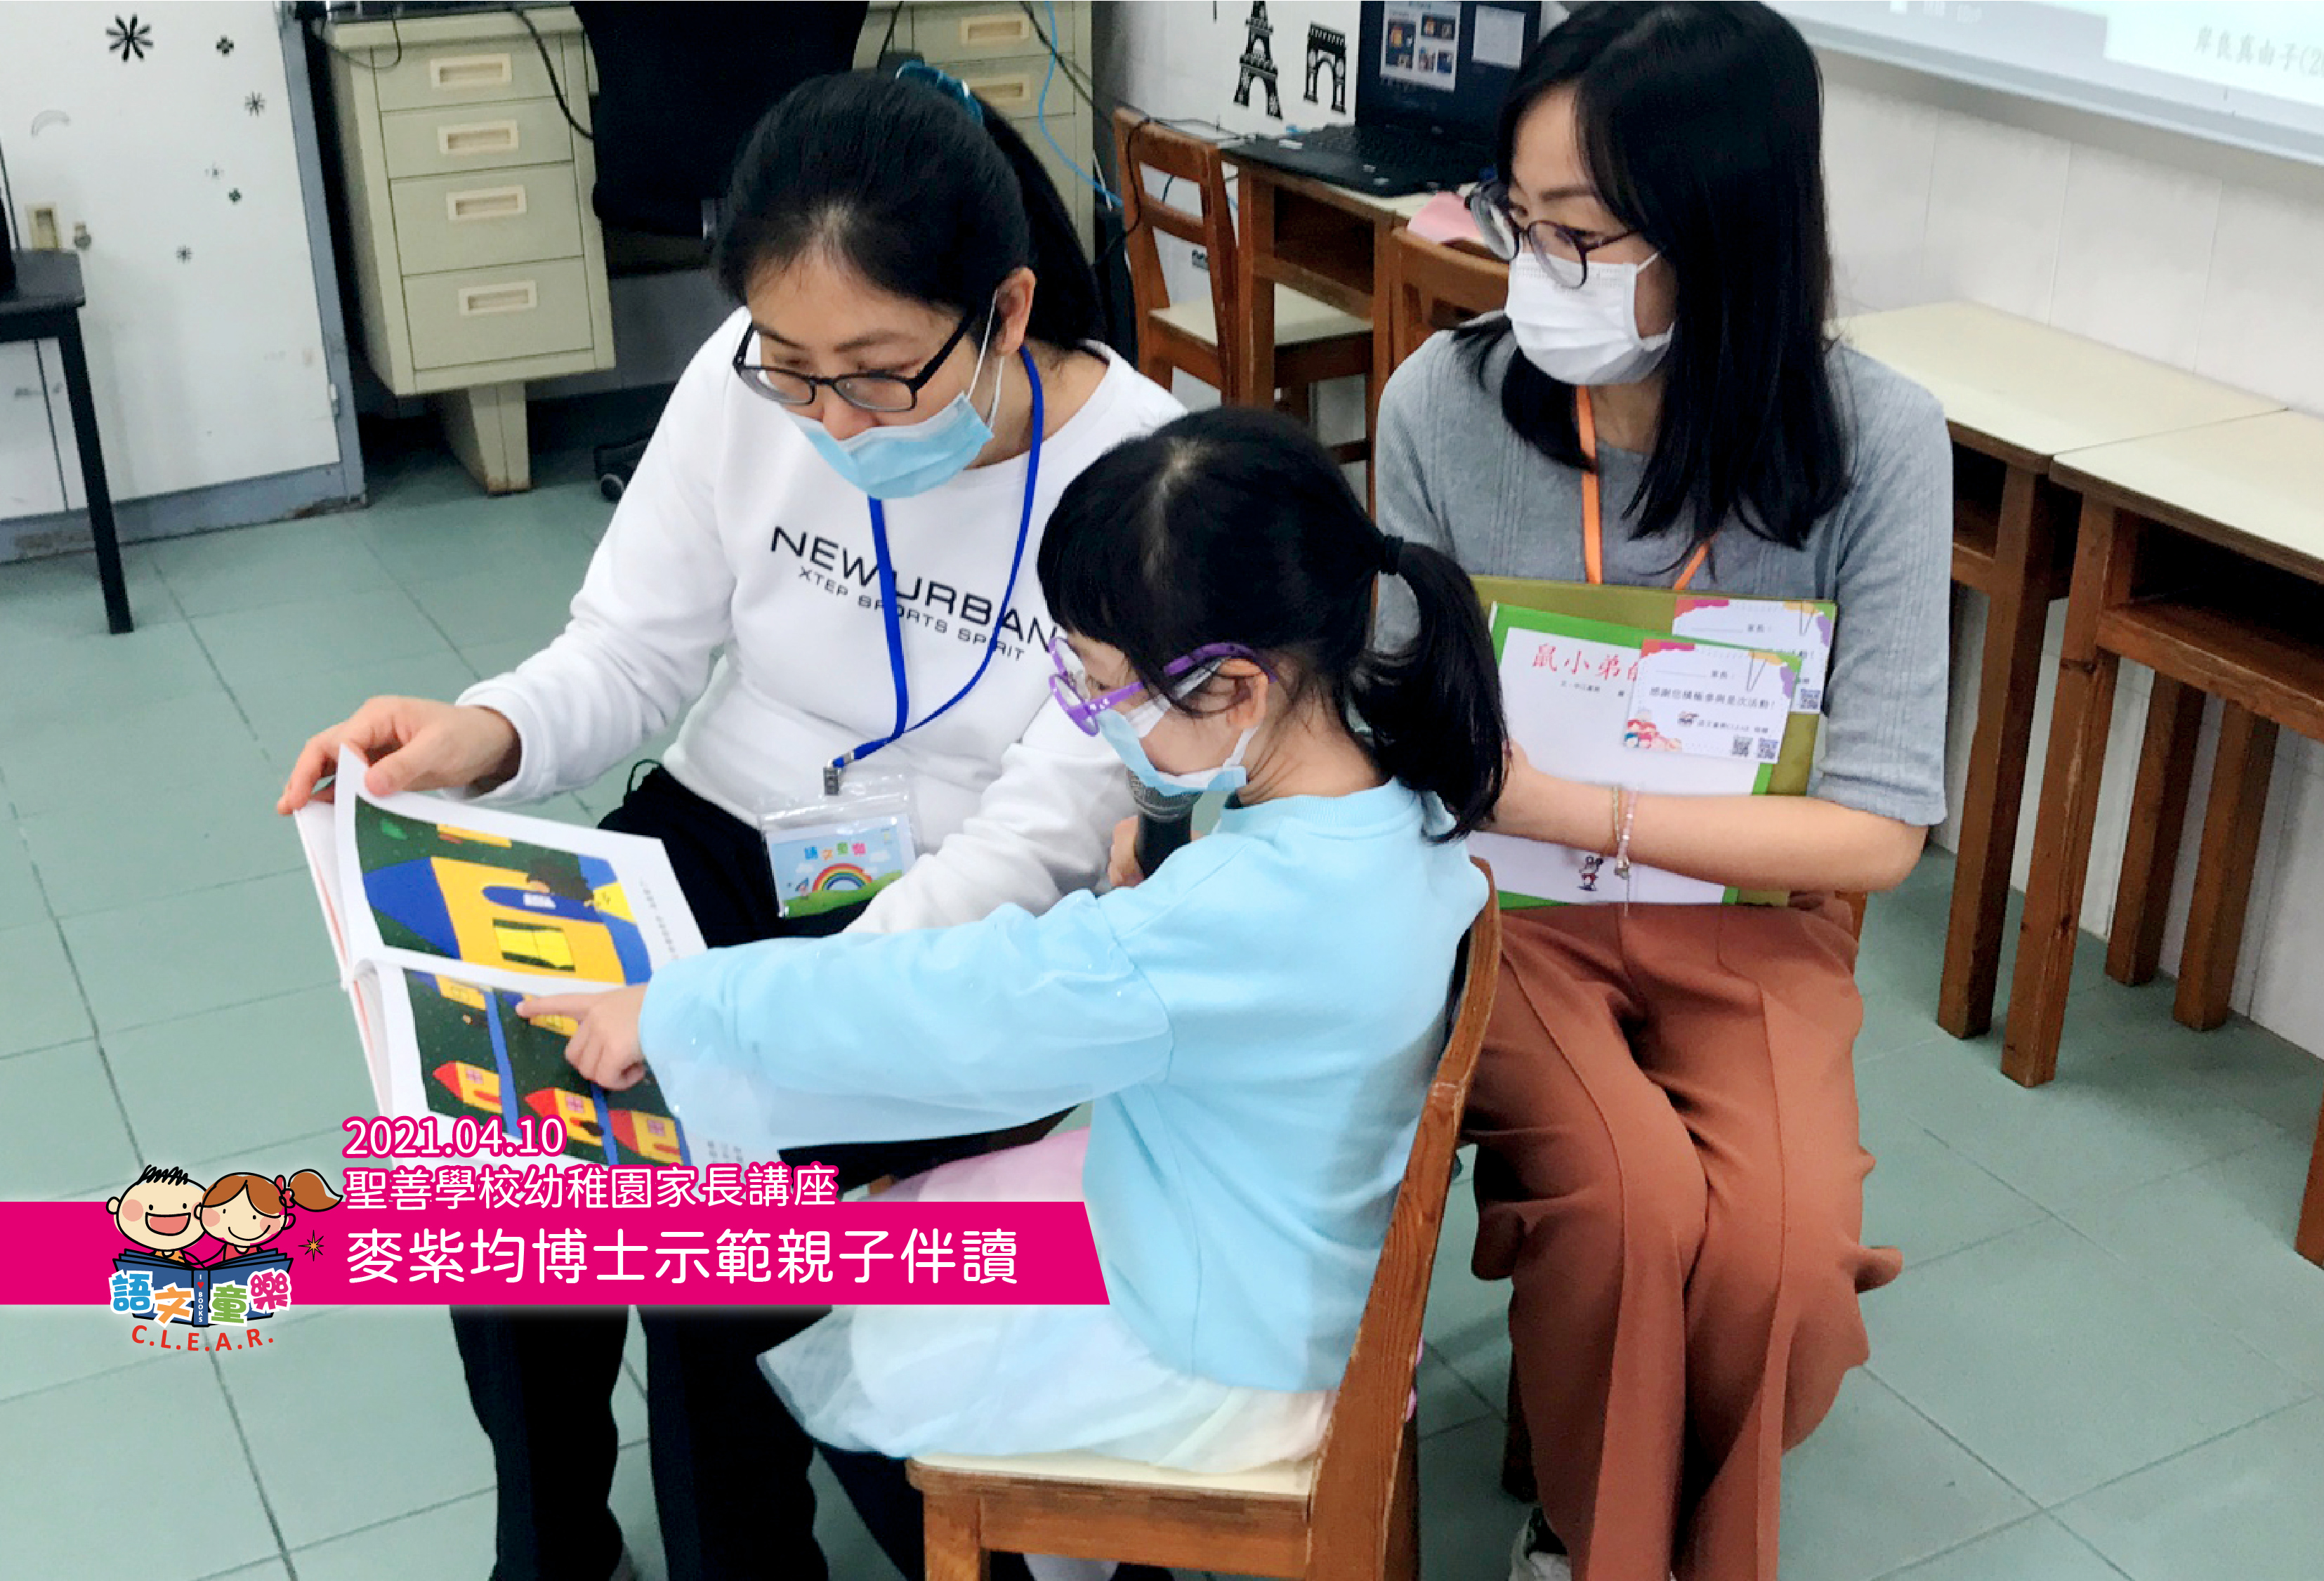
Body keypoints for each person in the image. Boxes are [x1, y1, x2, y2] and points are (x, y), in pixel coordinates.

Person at [272, 69, 1184, 1581]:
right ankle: (553, 1538)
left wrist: (738, 1017)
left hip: (949, 926)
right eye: (792, 367)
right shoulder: (743, 380)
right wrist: (483, 731)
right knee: (495, 1142)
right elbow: (629, 648)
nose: (827, 415)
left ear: (1008, 309)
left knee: (713, 1203)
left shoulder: (1146, 479)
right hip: (711, 833)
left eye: (880, 373)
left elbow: (1030, 843)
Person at [520, 407, 1508, 1579]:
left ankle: (1029, 1544)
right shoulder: (1406, 800)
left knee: (777, 1259)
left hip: (1212, 1344)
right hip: (1283, 1261)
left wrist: (683, 1007)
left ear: (1238, 688)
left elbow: (953, 1008)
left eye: (1103, 692)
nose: (1092, 720)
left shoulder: (1207, 927)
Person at [1373, 7, 1950, 1580]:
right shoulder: (1440, 404)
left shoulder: (1874, 442)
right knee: (1627, 1206)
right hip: (1516, 914)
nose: (1529, 264)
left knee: (1776, 1266)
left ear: (1723, 234)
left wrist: (1580, 807)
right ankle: (1594, 1540)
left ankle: (1607, 1510)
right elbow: (1390, 715)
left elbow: (1876, 828)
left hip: (1745, 914)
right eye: (1516, 217)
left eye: (1580, 234)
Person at [197, 1169, 343, 1260]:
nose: (237, 1224)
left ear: (284, 1221)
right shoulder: (222, 1248)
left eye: (254, 1217)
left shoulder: (262, 1256)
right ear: (200, 1211)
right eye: (224, 1212)